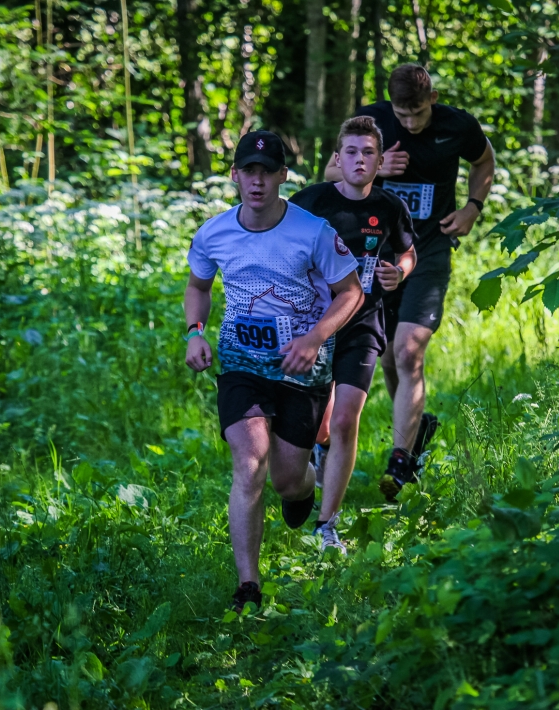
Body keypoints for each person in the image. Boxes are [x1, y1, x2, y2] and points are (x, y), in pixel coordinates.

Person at [184, 130, 363, 612]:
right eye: (249, 171)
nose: (257, 181)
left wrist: (315, 338)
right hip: (242, 364)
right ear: (235, 175)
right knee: (249, 463)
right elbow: (198, 286)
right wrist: (195, 332)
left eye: (267, 172)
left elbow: (351, 292)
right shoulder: (214, 233)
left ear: (284, 175)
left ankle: (308, 478)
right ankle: (248, 585)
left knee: (287, 481)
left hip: (301, 368)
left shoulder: (313, 232)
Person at [324, 64, 496, 501]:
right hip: (379, 252)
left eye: (417, 113)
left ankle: (401, 462)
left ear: (432, 99)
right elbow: (329, 173)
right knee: (387, 357)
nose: (410, 123)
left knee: (408, 350)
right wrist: (378, 167)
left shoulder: (457, 126)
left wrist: (473, 207)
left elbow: (484, 160)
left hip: (429, 251)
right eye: (402, 115)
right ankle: (417, 432)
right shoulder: (372, 122)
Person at [289, 116, 417, 553]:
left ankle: (327, 526)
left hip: (363, 322)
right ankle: (319, 449)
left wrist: (399, 272)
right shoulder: (310, 201)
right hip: (312, 324)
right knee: (321, 425)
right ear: (337, 158)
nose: (359, 160)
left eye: (368, 153)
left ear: (380, 162)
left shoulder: (391, 207)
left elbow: (408, 252)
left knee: (346, 419)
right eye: (351, 152)